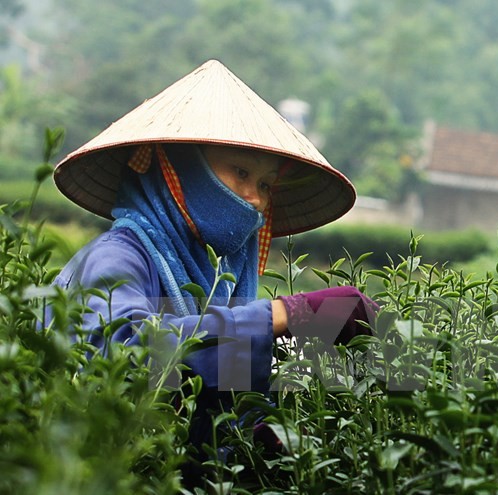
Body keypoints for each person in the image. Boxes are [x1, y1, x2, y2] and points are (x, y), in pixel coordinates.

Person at [45, 59, 378, 479]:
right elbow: (122, 358)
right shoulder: (117, 258)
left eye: (264, 185)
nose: (254, 199)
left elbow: (218, 396)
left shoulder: (214, 280)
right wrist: (284, 314)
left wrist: (262, 429)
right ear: (176, 168)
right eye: (240, 171)